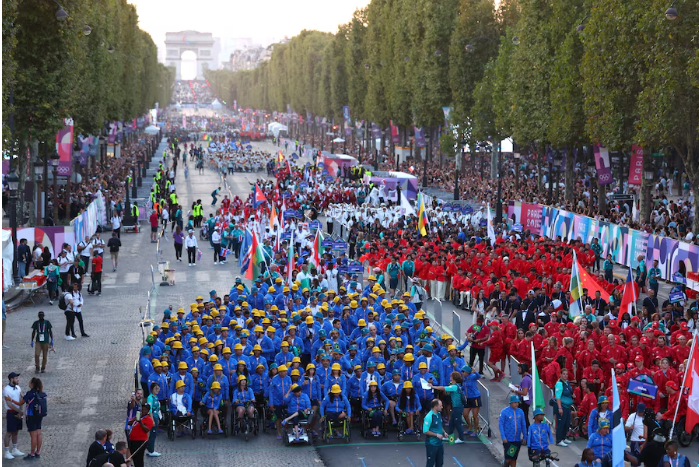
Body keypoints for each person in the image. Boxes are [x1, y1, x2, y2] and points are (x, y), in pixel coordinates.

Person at [430, 371, 464, 443]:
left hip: (458, 407)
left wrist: (432, 386)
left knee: (457, 423)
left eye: (451, 377)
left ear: (454, 378)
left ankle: (461, 438)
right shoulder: (455, 386)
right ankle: (450, 437)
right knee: (451, 422)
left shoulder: (454, 386)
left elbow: (443, 388)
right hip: (455, 407)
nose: (450, 379)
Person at [498, 394, 527, 467]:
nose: (516, 404)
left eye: (517, 402)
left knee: (514, 459)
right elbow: (501, 425)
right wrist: (503, 437)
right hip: (508, 440)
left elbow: (523, 424)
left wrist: (525, 436)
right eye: (515, 402)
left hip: (517, 440)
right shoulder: (504, 412)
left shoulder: (520, 411)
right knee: (508, 459)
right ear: (510, 403)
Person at [3, 372, 25, 460]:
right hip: (11, 412)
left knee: (16, 431)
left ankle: (14, 449)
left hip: (17, 412)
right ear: (11, 379)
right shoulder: (6, 390)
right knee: (9, 432)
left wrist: (20, 411)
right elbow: (9, 404)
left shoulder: (18, 388)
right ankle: (6, 451)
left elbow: (21, 399)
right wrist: (19, 411)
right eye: (16, 378)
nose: (18, 379)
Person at [23, 377, 46, 460]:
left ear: (32, 384)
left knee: (33, 435)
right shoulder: (41, 393)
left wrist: (10, 399)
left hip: (31, 416)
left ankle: (32, 454)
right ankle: (37, 452)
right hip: (39, 416)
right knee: (39, 433)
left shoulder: (29, 393)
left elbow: (21, 402)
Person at [126, 403, 153, 467]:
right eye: (142, 409)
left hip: (141, 441)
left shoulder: (148, 419)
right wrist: (134, 420)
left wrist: (140, 422)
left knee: (139, 458)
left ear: (148, 410)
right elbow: (129, 423)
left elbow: (146, 430)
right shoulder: (138, 416)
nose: (143, 411)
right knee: (134, 457)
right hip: (132, 440)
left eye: (145, 410)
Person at [423, 399, 448, 467]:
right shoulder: (429, 417)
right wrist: (436, 435)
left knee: (440, 463)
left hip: (439, 444)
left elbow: (439, 425)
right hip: (431, 444)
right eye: (440, 406)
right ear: (435, 407)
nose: (442, 407)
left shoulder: (439, 414)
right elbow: (425, 431)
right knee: (430, 463)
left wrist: (444, 432)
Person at [554, 367, 573, 446]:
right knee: (561, 423)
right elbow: (558, 397)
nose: (565, 376)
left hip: (568, 406)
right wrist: (560, 408)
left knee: (567, 423)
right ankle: (559, 440)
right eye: (564, 374)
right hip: (562, 406)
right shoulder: (559, 383)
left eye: (566, 374)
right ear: (561, 375)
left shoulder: (567, 382)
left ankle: (563, 437)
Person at [146, 383, 162, 457]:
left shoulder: (155, 397)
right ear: (152, 389)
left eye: (158, 388)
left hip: (156, 416)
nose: (157, 390)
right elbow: (150, 410)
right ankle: (151, 450)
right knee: (153, 434)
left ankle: (150, 448)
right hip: (152, 417)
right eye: (156, 389)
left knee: (154, 434)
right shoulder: (150, 398)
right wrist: (152, 420)